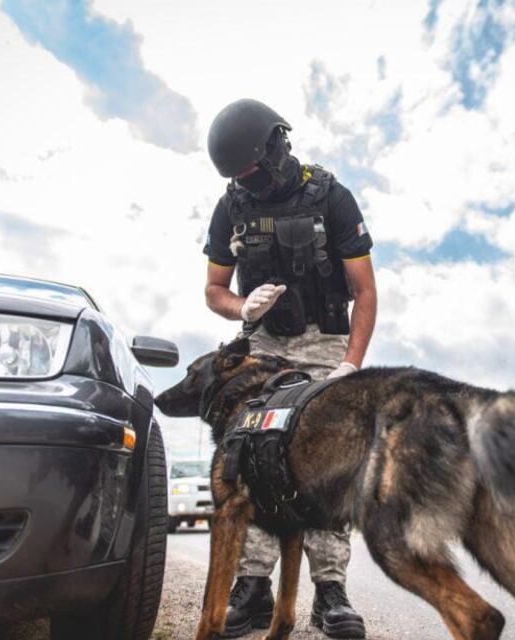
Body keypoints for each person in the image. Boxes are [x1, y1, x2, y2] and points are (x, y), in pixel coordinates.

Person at [202, 98, 377, 639]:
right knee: (251, 452)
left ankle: (331, 593)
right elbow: (213, 291)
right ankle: (252, 590)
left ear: (276, 147)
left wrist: (350, 365)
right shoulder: (231, 208)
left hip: (326, 343)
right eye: (238, 177)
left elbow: (365, 292)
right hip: (266, 348)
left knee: (326, 457)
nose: (246, 183)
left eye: (250, 171)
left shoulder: (332, 198)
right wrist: (243, 307)